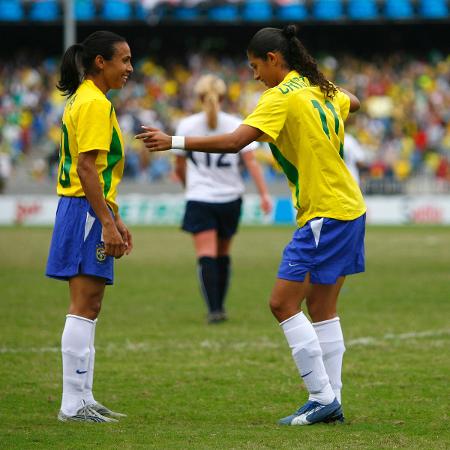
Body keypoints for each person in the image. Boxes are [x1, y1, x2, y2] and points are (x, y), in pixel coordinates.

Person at [137, 24, 366, 426]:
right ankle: (333, 400)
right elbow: (357, 102)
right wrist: (322, 85)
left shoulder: (278, 97)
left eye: (255, 66)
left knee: (281, 303)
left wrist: (174, 141)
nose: (254, 75)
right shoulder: (318, 88)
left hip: (325, 211)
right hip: (350, 207)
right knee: (323, 307)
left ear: (274, 60)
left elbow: (234, 141)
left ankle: (321, 398)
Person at [46, 31, 133, 423]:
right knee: (85, 304)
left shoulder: (86, 98)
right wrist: (105, 222)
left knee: (90, 304)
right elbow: (86, 168)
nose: (130, 68)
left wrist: (113, 216)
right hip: (84, 210)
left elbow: (92, 169)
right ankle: (71, 404)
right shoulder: (95, 103)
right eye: (124, 60)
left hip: (86, 208)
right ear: (101, 62)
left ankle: (83, 397)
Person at [172, 74, 272, 324]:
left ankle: (214, 309)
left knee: (206, 255)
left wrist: (189, 187)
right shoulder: (237, 123)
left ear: (198, 97)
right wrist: (264, 194)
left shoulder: (187, 125)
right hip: (230, 198)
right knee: (223, 255)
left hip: (200, 197)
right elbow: (251, 164)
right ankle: (221, 307)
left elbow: (179, 167)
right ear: (225, 97)